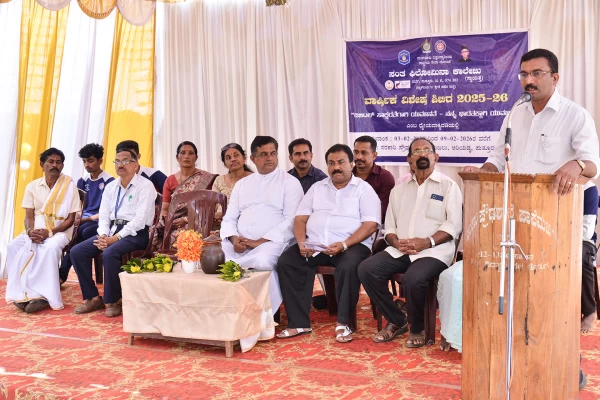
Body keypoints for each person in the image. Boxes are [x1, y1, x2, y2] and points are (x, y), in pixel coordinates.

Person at [459, 49, 600, 387]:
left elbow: (592, 164)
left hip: (556, 219)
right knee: (520, 295)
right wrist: (483, 172)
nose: (529, 80)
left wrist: (577, 165)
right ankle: (519, 365)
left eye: (537, 73)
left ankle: (568, 364)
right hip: (514, 218)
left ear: (555, 77)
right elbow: (498, 157)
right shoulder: (515, 114)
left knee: (553, 299)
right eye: (524, 74)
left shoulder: (575, 116)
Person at [358, 137, 462, 348]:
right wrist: (396, 243)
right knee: (366, 269)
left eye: (427, 150)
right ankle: (397, 318)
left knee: (413, 278)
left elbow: (454, 226)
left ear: (435, 157)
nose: (422, 154)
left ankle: (418, 328)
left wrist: (427, 242)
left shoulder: (449, 187)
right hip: (401, 250)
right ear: (409, 160)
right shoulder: (399, 190)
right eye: (416, 151)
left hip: (434, 252)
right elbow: (389, 227)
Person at [277, 144, 381, 343]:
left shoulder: (363, 189)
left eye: (341, 162)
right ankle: (298, 323)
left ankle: (344, 323)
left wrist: (345, 244)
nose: (336, 167)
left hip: (351, 245)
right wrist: (302, 242)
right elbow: (300, 219)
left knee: (349, 266)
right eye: (331, 163)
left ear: (351, 163)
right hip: (315, 244)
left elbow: (370, 225)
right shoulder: (317, 188)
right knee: (287, 261)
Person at [220, 136, 304, 348]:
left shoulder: (290, 183)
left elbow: (291, 221)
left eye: (273, 153)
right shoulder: (243, 185)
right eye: (264, 154)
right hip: (240, 244)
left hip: (273, 242)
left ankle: (260, 319)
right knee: (217, 258)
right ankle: (226, 316)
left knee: (263, 261)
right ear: (253, 158)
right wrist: (234, 238)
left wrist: (260, 241)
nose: (269, 158)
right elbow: (229, 218)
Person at [70, 148, 157, 317]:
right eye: (117, 161)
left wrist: (115, 238)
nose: (120, 164)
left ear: (135, 165)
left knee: (109, 253)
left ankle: (114, 300)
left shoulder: (145, 186)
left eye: (125, 161)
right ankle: (93, 298)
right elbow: (103, 215)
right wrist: (103, 235)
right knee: (77, 251)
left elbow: (139, 220)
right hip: (111, 230)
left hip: (135, 233)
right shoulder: (111, 187)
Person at [5, 148, 81, 313]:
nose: (55, 165)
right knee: (13, 246)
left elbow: (70, 219)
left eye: (58, 162)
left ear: (62, 166)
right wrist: (30, 231)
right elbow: (28, 216)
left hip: (60, 232)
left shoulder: (69, 186)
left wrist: (50, 232)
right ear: (42, 164)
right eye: (51, 162)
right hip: (36, 230)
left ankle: (43, 295)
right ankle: (22, 293)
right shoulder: (32, 186)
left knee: (49, 248)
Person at [59, 143, 114, 284]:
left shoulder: (110, 182)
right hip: (84, 219)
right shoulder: (82, 181)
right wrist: (77, 216)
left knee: (81, 232)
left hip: (101, 221)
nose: (87, 165)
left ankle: (62, 274)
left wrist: (85, 219)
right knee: (71, 230)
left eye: (90, 160)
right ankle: (59, 274)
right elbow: (78, 206)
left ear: (100, 161)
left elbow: (108, 212)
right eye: (84, 161)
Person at [154, 141, 217, 248]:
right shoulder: (170, 180)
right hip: (173, 221)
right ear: (177, 157)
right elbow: (165, 208)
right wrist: (166, 222)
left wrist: (186, 219)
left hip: (198, 220)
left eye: (190, 153)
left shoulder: (206, 179)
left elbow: (211, 207)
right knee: (153, 233)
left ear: (196, 157)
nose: (186, 156)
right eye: (183, 153)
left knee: (180, 236)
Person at [352, 135, 395, 224]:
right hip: (347, 224)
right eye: (356, 152)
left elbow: (382, 212)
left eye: (364, 153)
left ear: (374, 155)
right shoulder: (347, 176)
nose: (358, 157)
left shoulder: (385, 177)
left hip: (373, 225)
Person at [212, 143, 253, 220]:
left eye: (236, 155)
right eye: (228, 158)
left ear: (244, 158)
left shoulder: (253, 179)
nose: (233, 159)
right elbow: (212, 206)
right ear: (225, 164)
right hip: (219, 223)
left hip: (245, 222)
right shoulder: (219, 180)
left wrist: (223, 215)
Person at [581, 182, 598, 333]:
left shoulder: (589, 189)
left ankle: (589, 311)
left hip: (583, 241)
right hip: (552, 234)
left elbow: (586, 232)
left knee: (580, 254)